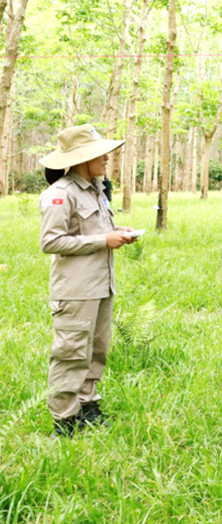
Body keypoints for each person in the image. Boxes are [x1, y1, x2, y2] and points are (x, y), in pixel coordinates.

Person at [38, 124, 138, 437]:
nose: (107, 159)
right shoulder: (60, 194)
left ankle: (87, 405)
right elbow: (51, 242)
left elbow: (94, 230)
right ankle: (65, 420)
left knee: (96, 349)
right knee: (71, 352)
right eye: (100, 154)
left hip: (100, 284)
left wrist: (116, 233)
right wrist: (101, 241)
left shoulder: (95, 189)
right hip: (76, 290)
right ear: (82, 159)